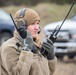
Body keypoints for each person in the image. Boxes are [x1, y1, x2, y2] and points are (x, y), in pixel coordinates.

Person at [0, 8, 57, 75]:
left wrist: (51, 58)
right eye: (32, 23)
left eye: (37, 23)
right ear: (20, 26)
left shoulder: (38, 45)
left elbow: (48, 73)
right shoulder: (9, 47)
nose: (37, 28)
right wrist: (26, 49)